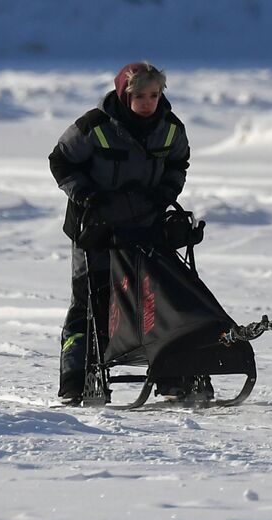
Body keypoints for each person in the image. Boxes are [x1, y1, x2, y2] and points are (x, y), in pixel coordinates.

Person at [48, 61, 206, 405]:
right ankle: (75, 380)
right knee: (91, 301)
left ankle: (171, 376)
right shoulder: (95, 125)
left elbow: (179, 165)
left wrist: (164, 194)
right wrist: (87, 196)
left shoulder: (170, 128)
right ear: (124, 94)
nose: (148, 102)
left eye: (155, 94)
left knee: (156, 299)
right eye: (140, 95)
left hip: (145, 227)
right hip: (95, 228)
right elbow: (60, 161)